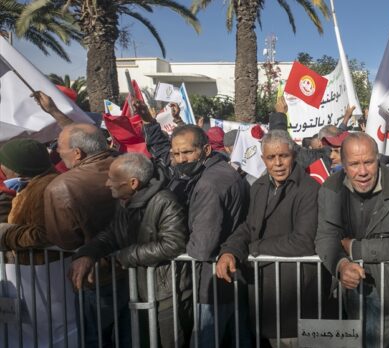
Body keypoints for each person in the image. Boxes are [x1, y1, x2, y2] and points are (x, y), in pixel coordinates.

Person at [140, 103, 250, 347]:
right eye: (176, 154)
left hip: (212, 283)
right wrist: (150, 123)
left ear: (206, 150)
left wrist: (169, 242)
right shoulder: (209, 170)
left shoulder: (209, 184)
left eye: (187, 153)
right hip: (217, 279)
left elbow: (201, 247)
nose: (181, 160)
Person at [217, 130, 329, 347]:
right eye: (271, 157)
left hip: (294, 296)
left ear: (294, 155)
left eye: (283, 156)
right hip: (262, 295)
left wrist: (255, 248)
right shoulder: (258, 187)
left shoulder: (309, 189)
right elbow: (248, 226)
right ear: (263, 159)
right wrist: (229, 250)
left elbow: (303, 241)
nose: (277, 163)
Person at [69, 153, 192, 348]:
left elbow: (173, 244)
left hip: (166, 293)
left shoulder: (164, 201)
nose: (107, 184)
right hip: (140, 289)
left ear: (133, 183)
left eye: (113, 179)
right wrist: (87, 253)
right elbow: (111, 234)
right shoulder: (125, 201)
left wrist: (122, 257)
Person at [315, 133, 389, 347]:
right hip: (351, 289)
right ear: (343, 165)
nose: (363, 171)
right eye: (354, 164)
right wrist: (341, 264)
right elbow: (326, 235)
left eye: (369, 162)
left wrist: (356, 248)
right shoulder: (330, 188)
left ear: (378, 159)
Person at [42, 123, 129, 347]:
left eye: (58, 147)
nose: (56, 152)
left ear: (77, 153)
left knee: (95, 339)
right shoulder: (128, 167)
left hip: (96, 278)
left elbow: (63, 240)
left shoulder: (60, 187)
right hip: (136, 272)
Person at [0, 139, 78, 346]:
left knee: (49, 335)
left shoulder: (45, 189)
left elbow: (46, 233)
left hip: (45, 277)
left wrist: (6, 235)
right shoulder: (34, 185)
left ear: (18, 167)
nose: (1, 168)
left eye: (3, 163)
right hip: (34, 275)